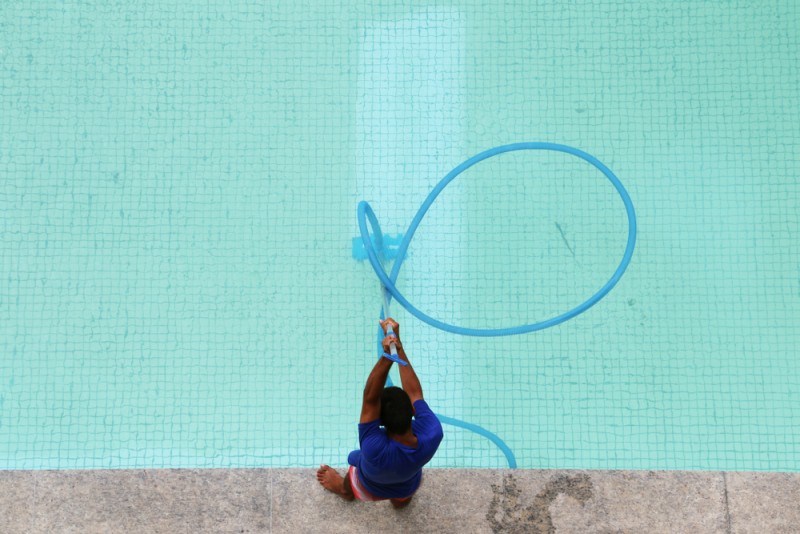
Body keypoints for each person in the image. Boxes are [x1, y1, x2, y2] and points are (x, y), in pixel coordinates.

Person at [316, 317, 444, 508]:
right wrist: (398, 348)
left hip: (369, 489)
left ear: (380, 422)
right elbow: (415, 392)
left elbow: (370, 398)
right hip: (407, 484)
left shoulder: (374, 447)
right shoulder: (433, 433)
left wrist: (387, 355)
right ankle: (400, 502)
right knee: (403, 491)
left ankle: (344, 490)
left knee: (354, 466)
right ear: (411, 409)